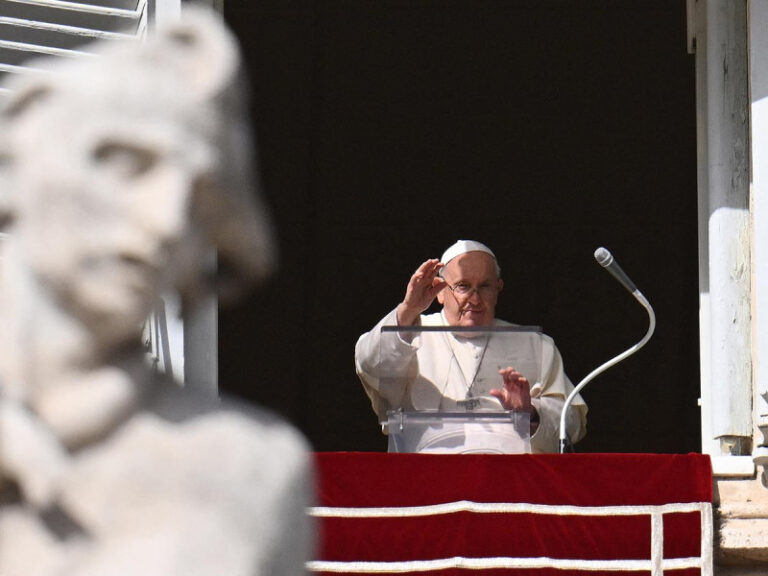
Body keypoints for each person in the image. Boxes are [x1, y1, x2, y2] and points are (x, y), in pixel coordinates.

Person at [0, 9, 312, 576]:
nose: (168, 222)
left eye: (200, 204)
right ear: (12, 165)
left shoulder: (246, 471)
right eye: (125, 162)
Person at [355, 240, 587, 453]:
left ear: (498, 289)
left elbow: (572, 422)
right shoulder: (410, 332)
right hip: (428, 478)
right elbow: (371, 366)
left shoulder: (535, 344)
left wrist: (530, 413)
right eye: (463, 287)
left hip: (511, 480)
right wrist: (408, 310)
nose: (475, 300)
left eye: (484, 287)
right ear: (441, 291)